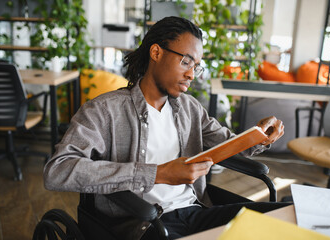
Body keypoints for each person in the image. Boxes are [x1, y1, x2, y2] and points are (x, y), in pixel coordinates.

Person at [44, 16, 287, 240]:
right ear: (156, 52)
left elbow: (229, 144)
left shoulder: (190, 109)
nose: (192, 74)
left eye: (197, 66)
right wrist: (157, 174)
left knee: (284, 218)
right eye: (185, 61)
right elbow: (57, 170)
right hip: (143, 224)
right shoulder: (105, 110)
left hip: (195, 213)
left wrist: (260, 137)